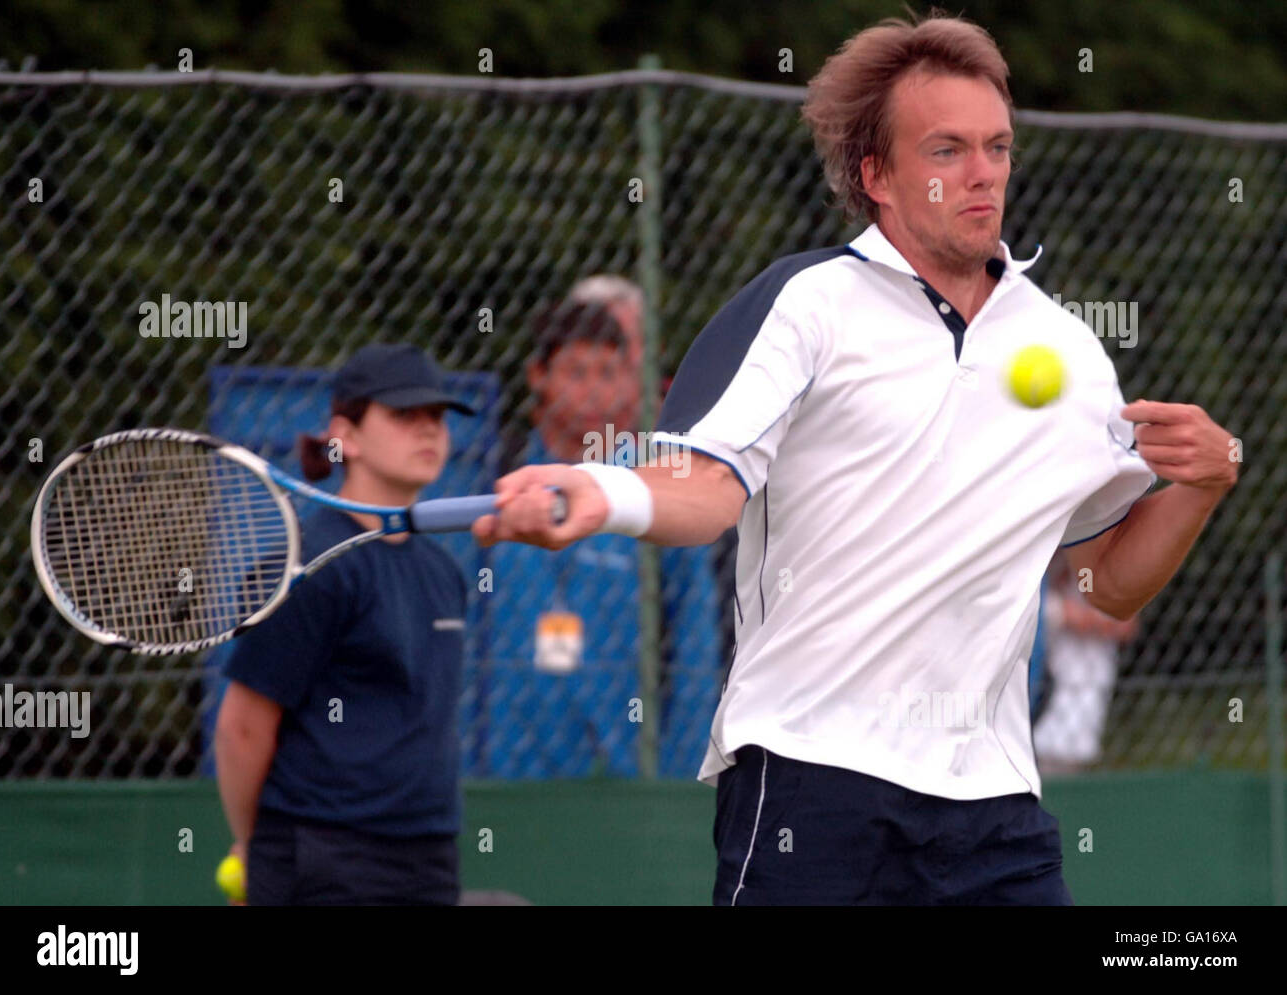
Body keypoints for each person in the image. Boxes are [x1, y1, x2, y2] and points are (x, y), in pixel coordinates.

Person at [472, 12, 1239, 905]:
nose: (982, 172)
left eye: (996, 147)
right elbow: (710, 485)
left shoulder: (1071, 354)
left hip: (995, 802)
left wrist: (1205, 482)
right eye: (946, 150)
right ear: (876, 174)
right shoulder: (806, 306)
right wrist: (603, 490)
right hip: (810, 779)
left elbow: (1107, 584)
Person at [213, 343, 475, 905]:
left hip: (431, 855)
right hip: (320, 857)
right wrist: (252, 848)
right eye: (405, 416)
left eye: (437, 417)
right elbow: (242, 726)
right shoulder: (308, 564)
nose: (428, 430)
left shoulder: (445, 571)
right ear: (346, 437)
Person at [472, 301, 720, 777]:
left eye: (609, 372)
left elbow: (695, 646)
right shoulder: (492, 479)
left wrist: (678, 774)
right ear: (538, 375)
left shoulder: (659, 490)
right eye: (577, 371)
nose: (593, 391)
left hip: (624, 769)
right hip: (500, 769)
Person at [1034, 551, 1140, 774]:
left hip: (1080, 687)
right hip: (1041, 682)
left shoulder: (1095, 571)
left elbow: (1124, 624)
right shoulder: (1043, 565)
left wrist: (1076, 615)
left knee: (1063, 765)